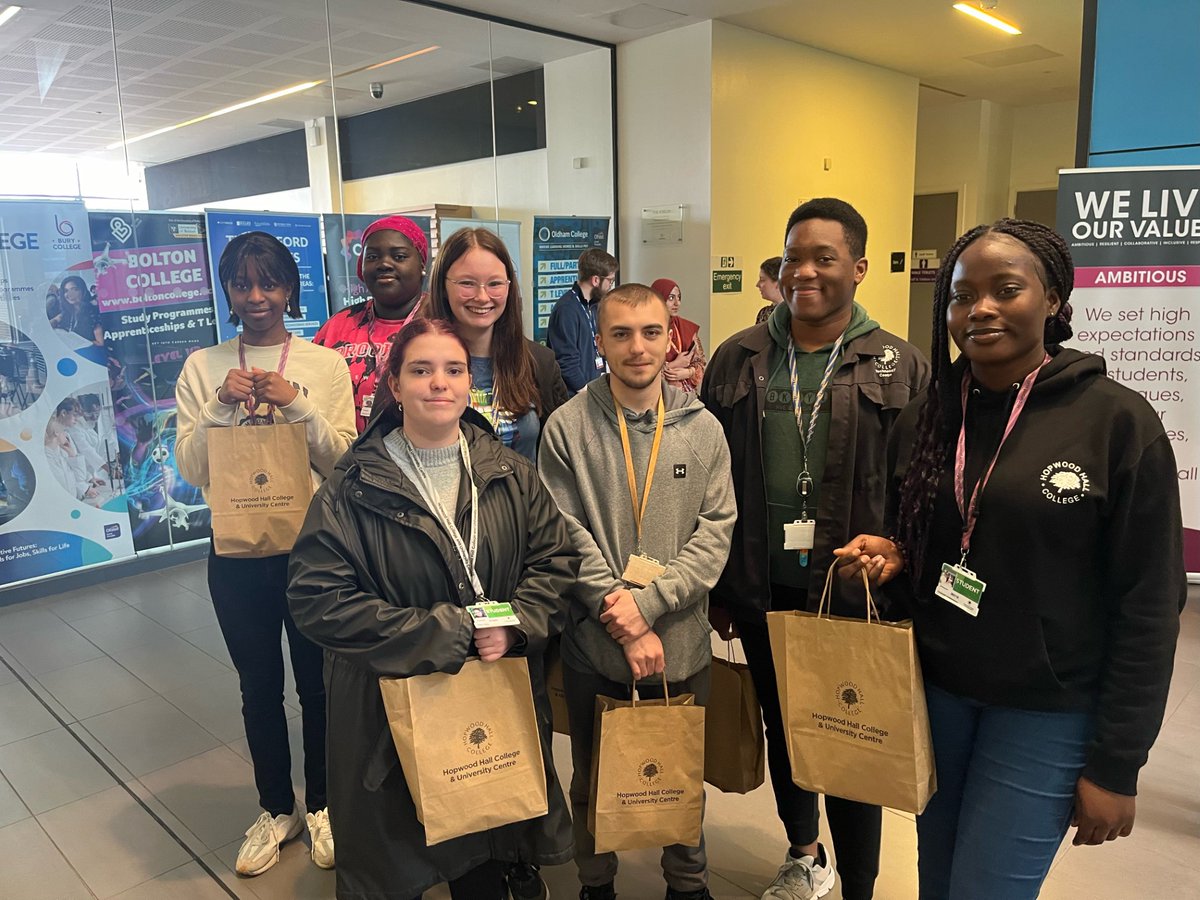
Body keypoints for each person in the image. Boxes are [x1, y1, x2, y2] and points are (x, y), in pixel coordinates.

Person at [833, 218, 1186, 900]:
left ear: (1053, 298)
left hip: (1046, 712)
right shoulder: (930, 417)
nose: (981, 310)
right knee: (937, 882)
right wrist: (897, 556)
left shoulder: (1116, 422)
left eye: (1007, 289)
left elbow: (1148, 606)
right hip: (938, 699)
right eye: (963, 296)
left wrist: (1117, 764)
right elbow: (940, 545)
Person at [287, 316, 579, 900]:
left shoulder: (510, 473)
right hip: (386, 710)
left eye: (452, 370)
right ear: (393, 385)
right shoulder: (352, 488)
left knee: (485, 843)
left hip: (490, 691)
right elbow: (317, 599)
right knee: (402, 851)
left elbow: (556, 562)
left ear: (469, 382)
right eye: (420, 370)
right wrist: (442, 632)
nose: (438, 383)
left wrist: (516, 623)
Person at [700, 198, 929, 900]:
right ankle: (805, 854)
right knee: (785, 728)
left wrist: (900, 575)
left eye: (824, 258)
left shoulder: (899, 364)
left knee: (854, 738)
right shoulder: (738, 355)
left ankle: (859, 883)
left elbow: (919, 490)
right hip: (760, 584)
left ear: (857, 268)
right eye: (794, 256)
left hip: (854, 591)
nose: (805, 271)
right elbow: (713, 478)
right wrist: (720, 588)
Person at [539, 283, 737, 900]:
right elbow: (565, 535)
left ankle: (688, 884)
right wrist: (623, 621)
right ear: (598, 342)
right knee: (594, 775)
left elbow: (717, 530)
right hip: (595, 643)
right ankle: (596, 884)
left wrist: (648, 606)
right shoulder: (566, 427)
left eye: (651, 332)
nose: (637, 347)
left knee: (681, 771)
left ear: (670, 335)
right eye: (620, 333)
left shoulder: (703, 428)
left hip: (681, 644)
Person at [175, 231, 355, 877]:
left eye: (270, 282)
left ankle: (326, 805)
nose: (257, 297)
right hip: (237, 550)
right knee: (259, 688)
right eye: (243, 283)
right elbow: (192, 470)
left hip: (314, 550)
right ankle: (275, 808)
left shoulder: (323, 365)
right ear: (227, 288)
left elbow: (343, 461)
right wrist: (223, 406)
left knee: (318, 686)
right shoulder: (203, 367)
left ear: (289, 288)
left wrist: (296, 403)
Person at [372, 227, 568, 465]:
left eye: (494, 283)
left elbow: (560, 457)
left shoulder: (540, 363)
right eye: (467, 283)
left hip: (524, 500)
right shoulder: (411, 359)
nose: (482, 297)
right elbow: (377, 453)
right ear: (443, 286)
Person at [313, 215, 429, 432]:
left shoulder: (441, 322)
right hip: (347, 459)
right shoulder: (337, 326)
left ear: (422, 263)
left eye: (400, 256)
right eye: (373, 256)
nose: (384, 264)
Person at [548, 247, 618, 395]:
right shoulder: (567, 309)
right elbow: (566, 361)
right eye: (610, 281)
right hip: (576, 396)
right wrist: (587, 392)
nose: (610, 286)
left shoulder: (594, 306)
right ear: (596, 280)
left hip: (594, 389)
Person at [651, 278, 706, 392]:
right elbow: (641, 372)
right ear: (658, 299)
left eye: (679, 298)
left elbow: (701, 363)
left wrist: (688, 372)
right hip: (656, 396)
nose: (677, 303)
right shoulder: (646, 329)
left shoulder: (686, 328)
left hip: (686, 398)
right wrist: (674, 365)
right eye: (671, 298)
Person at [51, 275, 104, 347]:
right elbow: (54, 321)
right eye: (66, 291)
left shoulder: (93, 312)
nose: (70, 294)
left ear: (83, 291)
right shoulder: (66, 313)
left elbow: (100, 343)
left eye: (74, 289)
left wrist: (78, 343)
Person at [755, 256, 784, 324]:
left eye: (762, 280)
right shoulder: (764, 313)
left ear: (779, 282)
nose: (757, 284)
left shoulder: (796, 315)